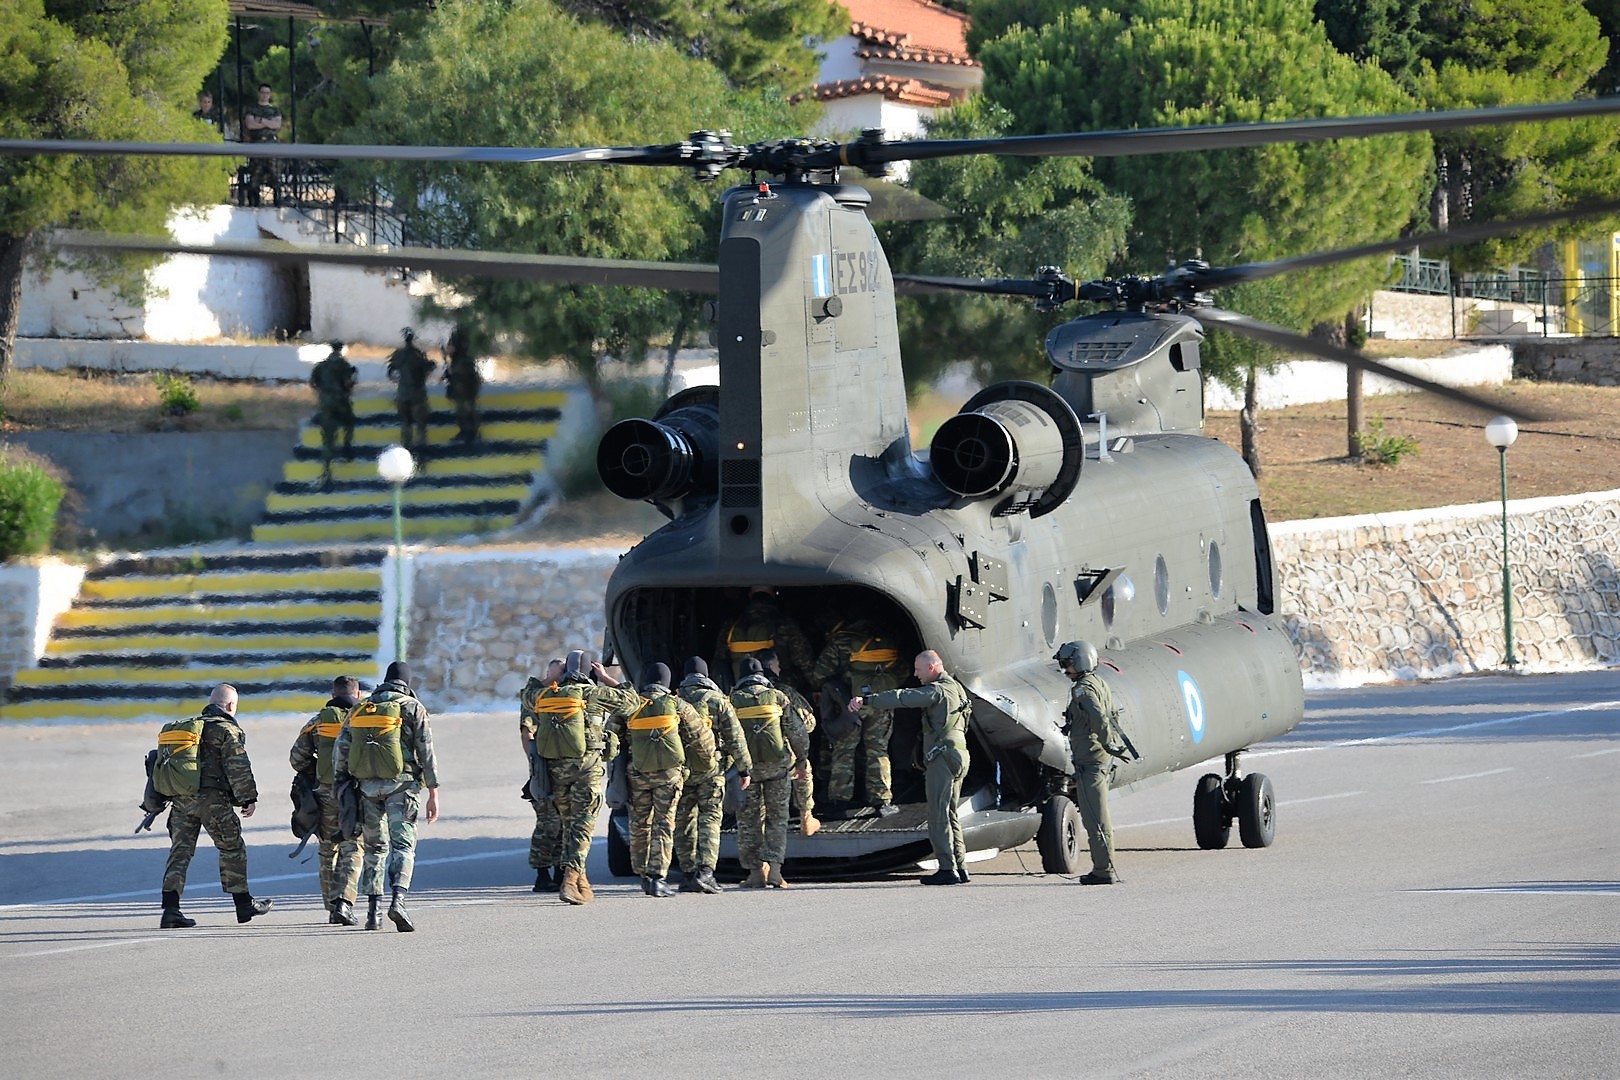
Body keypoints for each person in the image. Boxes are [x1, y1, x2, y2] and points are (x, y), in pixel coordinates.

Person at [523, 649, 643, 905]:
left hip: (556, 773)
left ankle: (581, 880)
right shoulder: (594, 694)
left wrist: (550, 678)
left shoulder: (544, 695)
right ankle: (570, 878)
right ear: (590, 670)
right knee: (583, 825)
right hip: (586, 771)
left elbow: (526, 695)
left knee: (569, 825)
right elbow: (633, 702)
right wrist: (608, 678)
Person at [849, 650, 972, 885]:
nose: (915, 674)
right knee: (950, 813)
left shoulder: (936, 690)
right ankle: (960, 866)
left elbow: (903, 697)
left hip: (943, 757)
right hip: (959, 754)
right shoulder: (957, 688)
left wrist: (868, 700)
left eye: (919, 669)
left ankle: (947, 869)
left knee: (937, 814)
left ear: (932, 668)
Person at [334, 661, 440, 931]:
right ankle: (398, 901)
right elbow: (425, 751)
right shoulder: (412, 707)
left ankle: (373, 913)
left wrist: (341, 784)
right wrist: (433, 790)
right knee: (403, 846)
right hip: (402, 787)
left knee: (374, 849)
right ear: (407, 682)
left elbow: (341, 749)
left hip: (367, 789)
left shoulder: (362, 707)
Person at [158, 684, 273, 927]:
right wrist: (248, 798)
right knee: (232, 848)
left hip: (182, 800)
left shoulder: (190, 727)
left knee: (180, 853)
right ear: (231, 706)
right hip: (213, 802)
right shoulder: (226, 730)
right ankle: (243, 905)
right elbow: (238, 766)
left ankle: (170, 910)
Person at [606, 663, 715, 897]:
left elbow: (609, 737)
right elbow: (702, 738)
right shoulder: (677, 704)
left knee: (639, 823)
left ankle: (643, 875)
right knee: (664, 823)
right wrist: (707, 765)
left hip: (638, 774)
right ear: (667, 682)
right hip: (669, 775)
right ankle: (658, 877)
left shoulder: (630, 704)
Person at [811, 617, 905, 819]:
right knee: (878, 751)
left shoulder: (840, 642)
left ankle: (839, 801)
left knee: (844, 750)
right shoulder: (886, 640)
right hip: (881, 703)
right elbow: (902, 671)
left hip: (849, 703)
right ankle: (881, 802)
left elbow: (820, 672)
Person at [289, 675, 364, 925]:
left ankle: (332, 908)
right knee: (353, 846)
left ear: (332, 695)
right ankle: (345, 901)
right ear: (358, 695)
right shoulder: (364, 717)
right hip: (355, 792)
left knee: (327, 847)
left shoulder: (318, 721)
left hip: (325, 793)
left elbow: (297, 758)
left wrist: (317, 769)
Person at [673, 656, 751, 893]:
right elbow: (735, 737)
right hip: (712, 770)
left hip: (682, 770)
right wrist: (744, 768)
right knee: (709, 819)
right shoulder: (718, 700)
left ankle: (687, 874)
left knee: (683, 821)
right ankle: (705, 873)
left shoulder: (676, 701)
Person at [730, 656, 810, 888]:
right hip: (778, 768)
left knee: (748, 821)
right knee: (777, 818)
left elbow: (726, 735)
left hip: (747, 771)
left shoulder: (733, 699)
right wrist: (802, 759)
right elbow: (797, 732)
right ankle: (775, 871)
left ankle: (755, 873)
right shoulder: (777, 697)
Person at [1055, 639, 1129, 885]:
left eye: (1068, 665)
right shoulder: (1098, 682)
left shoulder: (1082, 689)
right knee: (1096, 814)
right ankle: (1103, 866)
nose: (1066, 670)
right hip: (1099, 759)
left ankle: (1103, 869)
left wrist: (1107, 742)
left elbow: (1098, 716)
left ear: (1080, 662)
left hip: (1091, 761)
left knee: (1095, 816)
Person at [761, 649, 821, 836]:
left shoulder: (739, 693)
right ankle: (806, 818)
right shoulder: (783, 691)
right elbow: (807, 724)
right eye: (778, 664)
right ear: (771, 666)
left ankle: (761, 825)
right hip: (782, 756)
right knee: (804, 771)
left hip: (753, 759)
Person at [519, 658, 566, 892]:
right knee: (549, 822)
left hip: (566, 769)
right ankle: (542, 872)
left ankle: (560, 871)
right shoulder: (536, 697)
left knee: (565, 823)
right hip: (544, 770)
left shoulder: (568, 695)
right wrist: (537, 767)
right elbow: (526, 734)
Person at [715, 585, 814, 689]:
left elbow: (720, 659)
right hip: (778, 689)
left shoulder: (731, 625)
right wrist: (816, 686)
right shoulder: (784, 624)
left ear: (750, 595)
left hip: (740, 689)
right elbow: (804, 660)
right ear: (774, 594)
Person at [309, 340, 357, 489]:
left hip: (326, 403)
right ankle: (347, 448)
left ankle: (327, 472)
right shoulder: (344, 365)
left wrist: (323, 393)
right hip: (340, 401)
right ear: (340, 349)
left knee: (328, 438)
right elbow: (348, 383)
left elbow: (312, 382)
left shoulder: (321, 365)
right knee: (349, 423)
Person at [387, 327, 436, 456]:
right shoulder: (419, 355)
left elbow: (391, 373)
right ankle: (422, 457)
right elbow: (429, 368)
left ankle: (407, 454)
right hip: (418, 395)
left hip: (403, 394)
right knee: (421, 427)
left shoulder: (398, 355)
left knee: (406, 425)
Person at [241, 83, 282, 205]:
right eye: (262, 92)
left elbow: (277, 125)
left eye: (267, 93)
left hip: (271, 144)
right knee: (255, 173)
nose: (265, 95)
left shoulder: (275, 110)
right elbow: (250, 125)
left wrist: (261, 120)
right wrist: (268, 123)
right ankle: (254, 200)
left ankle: (277, 199)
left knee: (274, 173)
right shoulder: (251, 109)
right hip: (256, 144)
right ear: (259, 93)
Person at [442, 323, 482, 445]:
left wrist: (445, 352)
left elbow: (451, 349)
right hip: (471, 374)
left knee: (461, 406)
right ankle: (474, 432)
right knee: (471, 404)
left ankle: (465, 431)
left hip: (460, 376)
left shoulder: (458, 332)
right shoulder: (473, 331)